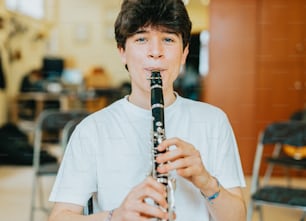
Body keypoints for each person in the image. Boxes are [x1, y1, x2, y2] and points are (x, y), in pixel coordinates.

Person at [48, 0, 246, 221]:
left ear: (184, 53)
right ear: (122, 51)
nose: (155, 52)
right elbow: (59, 217)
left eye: (168, 39)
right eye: (142, 39)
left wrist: (206, 181)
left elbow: (237, 217)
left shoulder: (214, 121)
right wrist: (116, 217)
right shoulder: (91, 130)